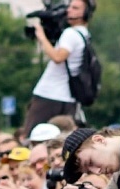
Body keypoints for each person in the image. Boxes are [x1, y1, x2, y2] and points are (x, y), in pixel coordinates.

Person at [23, 0, 93, 133]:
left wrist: (41, 36)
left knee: (32, 135)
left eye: (75, 8)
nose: (69, 10)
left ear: (86, 13)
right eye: (69, 7)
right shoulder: (84, 34)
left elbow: (58, 57)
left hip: (50, 95)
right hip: (68, 97)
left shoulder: (71, 34)